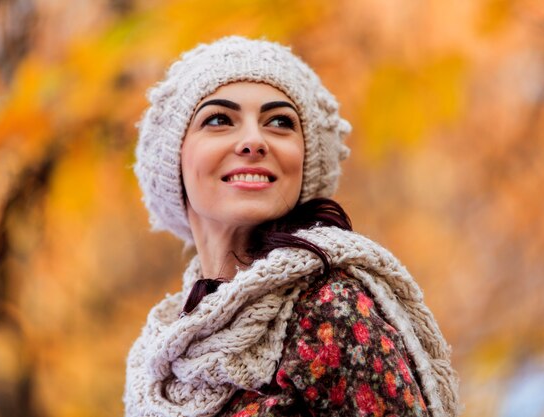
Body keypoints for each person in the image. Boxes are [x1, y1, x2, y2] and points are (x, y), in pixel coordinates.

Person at [124, 36, 460, 417]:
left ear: (305, 161)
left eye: (280, 122)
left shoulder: (329, 309)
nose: (253, 140)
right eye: (219, 120)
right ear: (173, 161)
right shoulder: (159, 353)